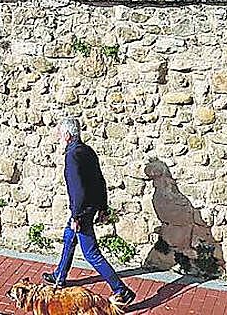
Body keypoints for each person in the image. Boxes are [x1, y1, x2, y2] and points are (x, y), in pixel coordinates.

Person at [42, 116, 136, 308]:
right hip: (89, 207)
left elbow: (77, 189)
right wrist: (103, 207)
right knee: (69, 237)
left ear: (67, 135)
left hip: (82, 210)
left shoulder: (72, 155)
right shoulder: (87, 151)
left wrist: (77, 216)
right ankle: (59, 276)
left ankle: (121, 290)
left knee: (91, 253)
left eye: (59, 133)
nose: (58, 136)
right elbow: (99, 181)